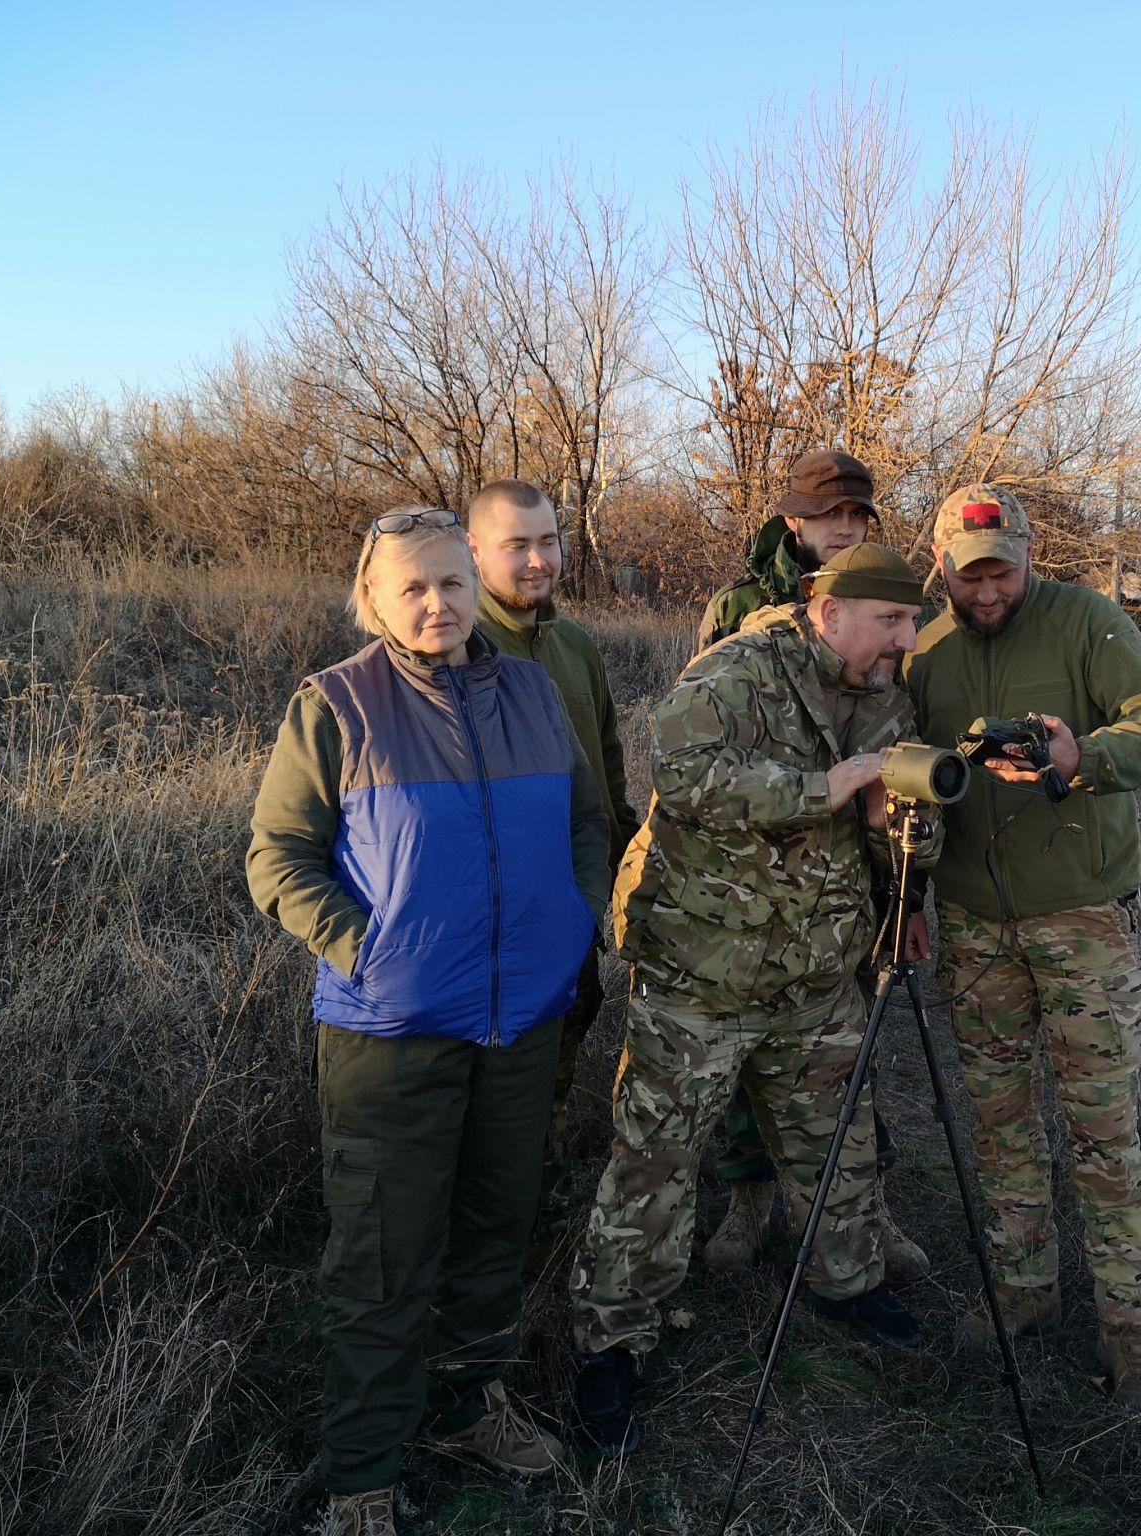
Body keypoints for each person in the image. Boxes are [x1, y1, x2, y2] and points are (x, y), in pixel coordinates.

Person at [247, 507, 612, 1535]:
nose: (434, 604)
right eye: (409, 586)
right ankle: (361, 1475)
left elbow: (589, 820)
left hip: (521, 1022)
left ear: (474, 585)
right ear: (371, 598)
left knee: (494, 1230)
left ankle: (466, 1407)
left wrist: (570, 924)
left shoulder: (532, 690)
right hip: (391, 1036)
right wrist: (375, 952)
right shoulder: (334, 706)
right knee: (382, 1256)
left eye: (450, 582)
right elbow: (276, 860)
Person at [569, 543, 938, 1454]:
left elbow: (898, 843)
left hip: (816, 973)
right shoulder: (735, 669)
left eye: (910, 623)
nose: (904, 640)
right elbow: (684, 777)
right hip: (705, 972)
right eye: (890, 622)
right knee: (655, 1160)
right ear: (830, 611)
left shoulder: (887, 694)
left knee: (839, 1146)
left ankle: (845, 1285)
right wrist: (828, 786)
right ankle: (612, 1340)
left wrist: (904, 832)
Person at [905, 484, 1141, 1412]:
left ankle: (1132, 1336)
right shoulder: (925, 645)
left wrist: (1083, 761)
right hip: (973, 925)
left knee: (1104, 1132)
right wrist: (909, 893)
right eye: (970, 574)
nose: (988, 593)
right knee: (1000, 1123)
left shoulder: (1086, 622)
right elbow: (899, 774)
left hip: (1080, 922)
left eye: (1004, 571)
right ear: (941, 564)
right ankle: (1024, 1288)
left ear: (1028, 557)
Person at [692, 448, 929, 1285]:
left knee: (844, 1052)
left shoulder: (894, 602)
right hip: (751, 874)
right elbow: (708, 742)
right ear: (793, 520)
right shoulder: (740, 609)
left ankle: (859, 1214)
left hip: (847, 873)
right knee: (742, 1063)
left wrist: (901, 886)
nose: (846, 527)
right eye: (831, 515)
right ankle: (749, 1200)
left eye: (860, 516)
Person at [464, 478, 639, 1261]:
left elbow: (604, 765)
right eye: (515, 545)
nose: (538, 561)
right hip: (500, 912)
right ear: (474, 551)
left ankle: (536, 1194)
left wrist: (624, 859)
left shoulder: (575, 646)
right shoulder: (460, 644)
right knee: (498, 1076)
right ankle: (496, 1231)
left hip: (580, 891)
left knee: (567, 1037)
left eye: (548, 541)